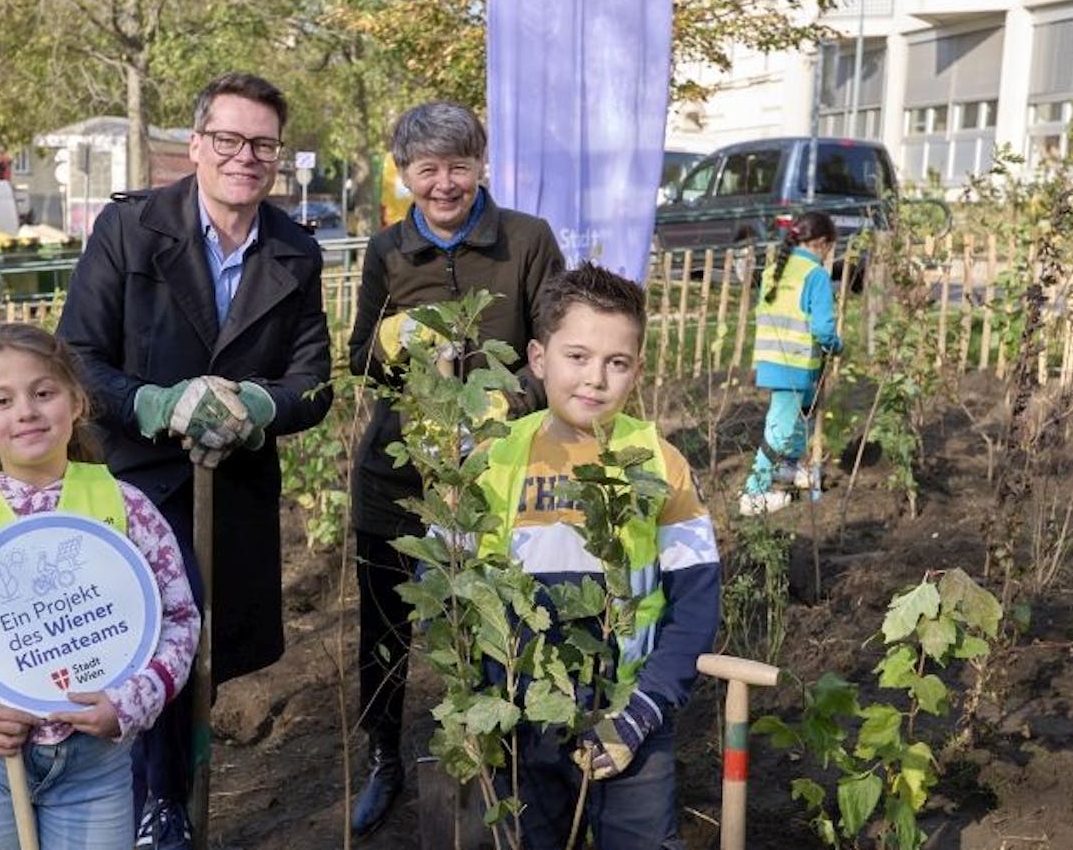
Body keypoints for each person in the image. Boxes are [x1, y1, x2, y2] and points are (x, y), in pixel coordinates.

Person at [56, 72, 334, 850]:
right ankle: (156, 806)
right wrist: (154, 404)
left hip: (232, 491)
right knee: (150, 643)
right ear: (197, 145)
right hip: (138, 488)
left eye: (263, 144)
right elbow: (77, 355)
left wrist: (257, 411)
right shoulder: (132, 232)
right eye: (229, 139)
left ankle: (170, 797)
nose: (246, 156)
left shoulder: (295, 252)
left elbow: (313, 389)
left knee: (203, 655)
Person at [0, 323, 201, 850]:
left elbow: (179, 619)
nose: (26, 411)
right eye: (2, 400)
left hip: (93, 769)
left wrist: (130, 702)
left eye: (43, 393)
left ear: (76, 402)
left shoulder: (126, 508)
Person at [344, 99, 565, 837]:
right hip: (400, 481)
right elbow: (359, 364)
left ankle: (499, 756)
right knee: (385, 633)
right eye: (426, 169)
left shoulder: (527, 242)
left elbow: (555, 349)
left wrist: (510, 402)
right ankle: (384, 760)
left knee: (496, 618)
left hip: (496, 478)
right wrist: (389, 341)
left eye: (458, 166)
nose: (443, 184)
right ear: (404, 172)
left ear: (481, 165)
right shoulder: (387, 251)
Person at [473, 263, 721, 849]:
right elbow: (450, 587)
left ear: (637, 369)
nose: (595, 380)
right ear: (539, 358)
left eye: (617, 363)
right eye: (577, 356)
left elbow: (696, 602)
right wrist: (488, 696)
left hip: (628, 718)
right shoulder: (495, 461)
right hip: (523, 720)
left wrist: (642, 711)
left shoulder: (658, 464)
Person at [739, 211, 843, 517]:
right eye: (829, 249)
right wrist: (837, 346)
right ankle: (754, 493)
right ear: (822, 244)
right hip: (797, 362)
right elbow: (823, 330)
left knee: (799, 417)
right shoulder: (816, 275)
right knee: (780, 428)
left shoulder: (775, 269)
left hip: (772, 359)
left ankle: (787, 468)